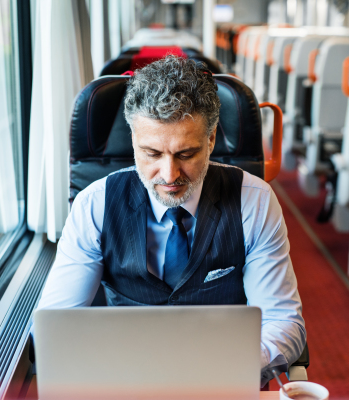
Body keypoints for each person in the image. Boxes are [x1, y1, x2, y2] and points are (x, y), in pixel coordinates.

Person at [36, 55, 306, 385]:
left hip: (224, 382)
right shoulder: (93, 205)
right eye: (151, 153)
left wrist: (234, 369)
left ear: (210, 140)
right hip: (126, 382)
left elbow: (283, 320)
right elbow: (55, 326)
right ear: (134, 141)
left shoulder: (254, 200)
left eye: (185, 154)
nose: (169, 175)